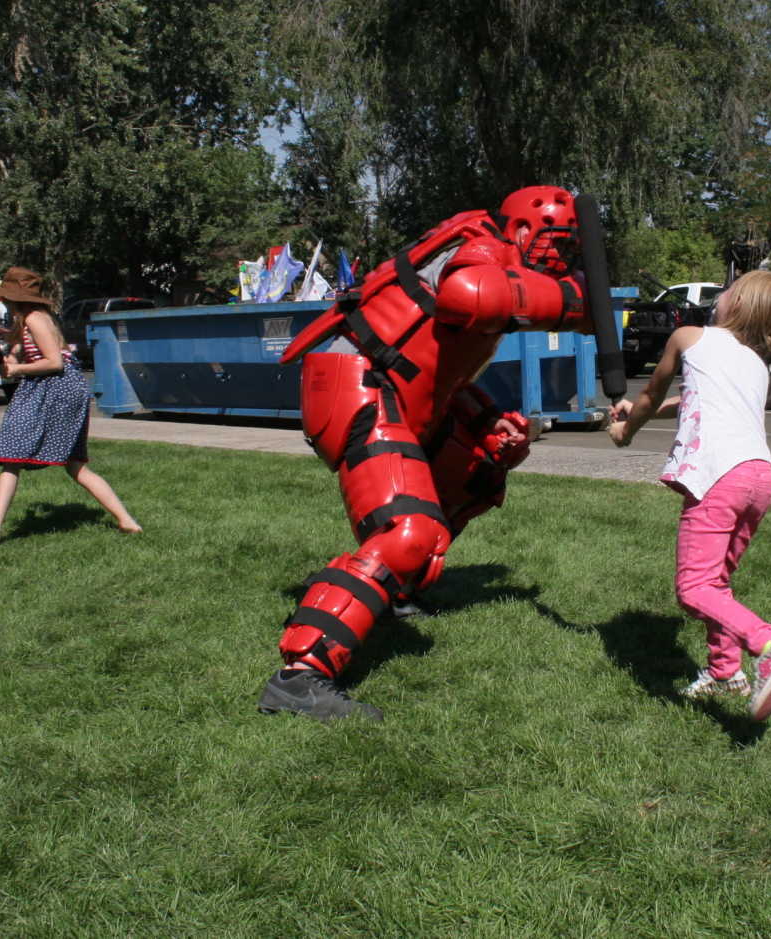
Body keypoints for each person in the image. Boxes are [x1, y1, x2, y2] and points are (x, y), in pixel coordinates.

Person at [257, 186, 599, 721]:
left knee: (480, 468)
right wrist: (573, 302)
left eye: (570, 248)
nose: (560, 257)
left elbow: (439, 364)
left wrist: (484, 419)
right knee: (409, 530)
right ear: (523, 229)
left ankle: (393, 588)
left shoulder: (499, 258)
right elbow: (468, 294)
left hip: (402, 389)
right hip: (362, 386)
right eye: (557, 243)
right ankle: (299, 676)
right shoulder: (483, 248)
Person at [608, 271, 771, 722]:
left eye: (728, 291)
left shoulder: (688, 336)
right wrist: (639, 411)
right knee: (716, 582)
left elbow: (652, 393)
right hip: (758, 478)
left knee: (694, 588)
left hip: (718, 476)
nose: (720, 295)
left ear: (740, 304)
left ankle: (768, 643)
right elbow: (690, 401)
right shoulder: (756, 364)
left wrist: (626, 429)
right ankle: (724, 671)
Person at [0, 267, 141, 550]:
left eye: (6, 295)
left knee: (13, 454)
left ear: (15, 297)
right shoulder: (24, 322)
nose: (4, 300)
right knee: (73, 465)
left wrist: (17, 369)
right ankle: (127, 521)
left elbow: (54, 362)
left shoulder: (36, 318)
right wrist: (8, 362)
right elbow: (17, 356)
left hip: (57, 388)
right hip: (51, 388)